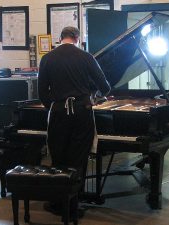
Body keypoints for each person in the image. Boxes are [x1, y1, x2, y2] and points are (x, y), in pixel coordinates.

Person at [38, 26, 111, 217]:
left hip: (58, 113)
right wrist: (92, 96)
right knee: (78, 159)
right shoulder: (86, 57)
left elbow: (41, 93)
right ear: (77, 38)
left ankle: (57, 203)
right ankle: (73, 205)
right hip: (81, 112)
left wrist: (55, 105)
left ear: (60, 38)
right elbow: (105, 87)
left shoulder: (47, 58)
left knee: (58, 158)